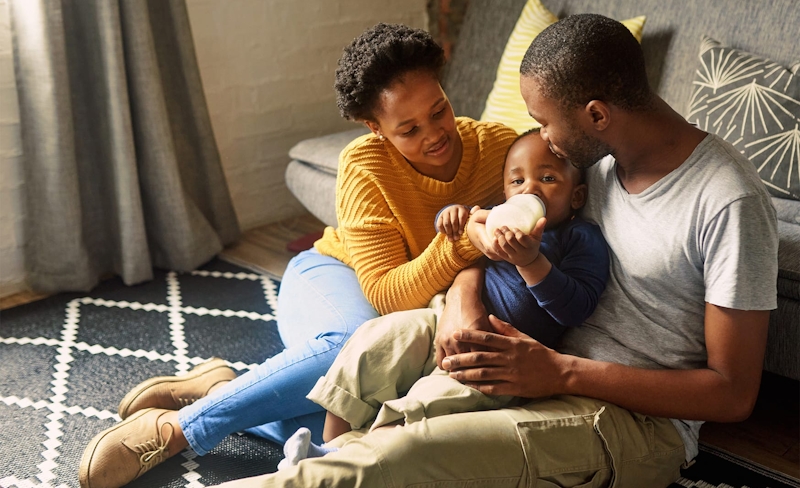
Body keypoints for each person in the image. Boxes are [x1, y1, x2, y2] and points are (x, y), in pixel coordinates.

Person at [208, 13, 778, 487]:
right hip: (523, 354)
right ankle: (243, 410)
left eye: (543, 122)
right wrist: (465, 290)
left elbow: (733, 395)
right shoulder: (587, 165)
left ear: (597, 115)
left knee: (402, 454)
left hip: (628, 418)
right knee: (367, 362)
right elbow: (490, 239)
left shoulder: (728, 203)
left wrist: (560, 372)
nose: (538, 141)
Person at [78, 23, 518, 488]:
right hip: (334, 276)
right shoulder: (364, 165)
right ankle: (178, 429)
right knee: (353, 345)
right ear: (375, 127)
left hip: (418, 307)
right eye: (408, 129)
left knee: (381, 419)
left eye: (439, 110)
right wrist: (463, 243)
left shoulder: (497, 149)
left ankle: (223, 389)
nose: (434, 134)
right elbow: (387, 294)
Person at [274, 127, 610, 467]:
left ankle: (337, 464)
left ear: (577, 196)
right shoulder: (495, 217)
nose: (530, 190)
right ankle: (327, 444)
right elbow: (464, 224)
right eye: (517, 182)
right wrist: (450, 216)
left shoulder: (579, 237)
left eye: (548, 178)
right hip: (440, 316)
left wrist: (531, 263)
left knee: (430, 402)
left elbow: (576, 308)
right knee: (373, 343)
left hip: (499, 356)